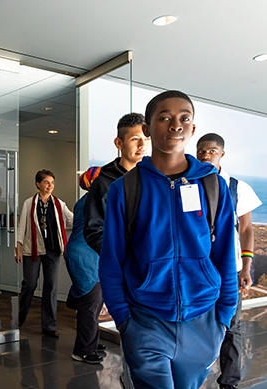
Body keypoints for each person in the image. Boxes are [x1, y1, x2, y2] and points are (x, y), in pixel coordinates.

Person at [100, 90, 238, 388]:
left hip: (203, 321)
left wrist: (223, 317)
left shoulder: (213, 186)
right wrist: (124, 321)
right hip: (146, 319)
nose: (175, 125)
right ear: (148, 129)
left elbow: (225, 254)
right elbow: (112, 259)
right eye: (164, 118)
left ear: (192, 128)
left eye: (183, 118)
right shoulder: (126, 189)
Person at [196, 133, 262, 389]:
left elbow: (246, 229)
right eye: (201, 151)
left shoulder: (237, 187)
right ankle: (194, 377)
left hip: (231, 269)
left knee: (231, 326)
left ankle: (229, 382)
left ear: (221, 154)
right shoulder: (189, 184)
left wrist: (246, 266)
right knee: (197, 324)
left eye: (211, 151)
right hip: (199, 269)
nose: (205, 155)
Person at [16, 169, 74, 338]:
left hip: (53, 250)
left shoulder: (58, 204)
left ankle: (49, 325)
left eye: (52, 183)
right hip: (32, 249)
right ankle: (21, 314)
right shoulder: (29, 203)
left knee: (50, 287)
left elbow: (72, 219)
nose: (50, 186)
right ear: (38, 184)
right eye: (47, 182)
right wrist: (18, 248)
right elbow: (22, 227)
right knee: (30, 283)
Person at [84, 112, 150, 254]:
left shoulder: (154, 180)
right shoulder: (104, 184)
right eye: (135, 139)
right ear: (119, 143)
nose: (142, 145)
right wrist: (123, 260)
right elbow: (94, 232)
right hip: (125, 269)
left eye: (146, 139)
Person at [64, 166, 105, 364]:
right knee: (92, 303)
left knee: (93, 300)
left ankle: (92, 341)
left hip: (81, 252)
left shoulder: (83, 201)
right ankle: (83, 350)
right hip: (86, 255)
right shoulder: (96, 201)